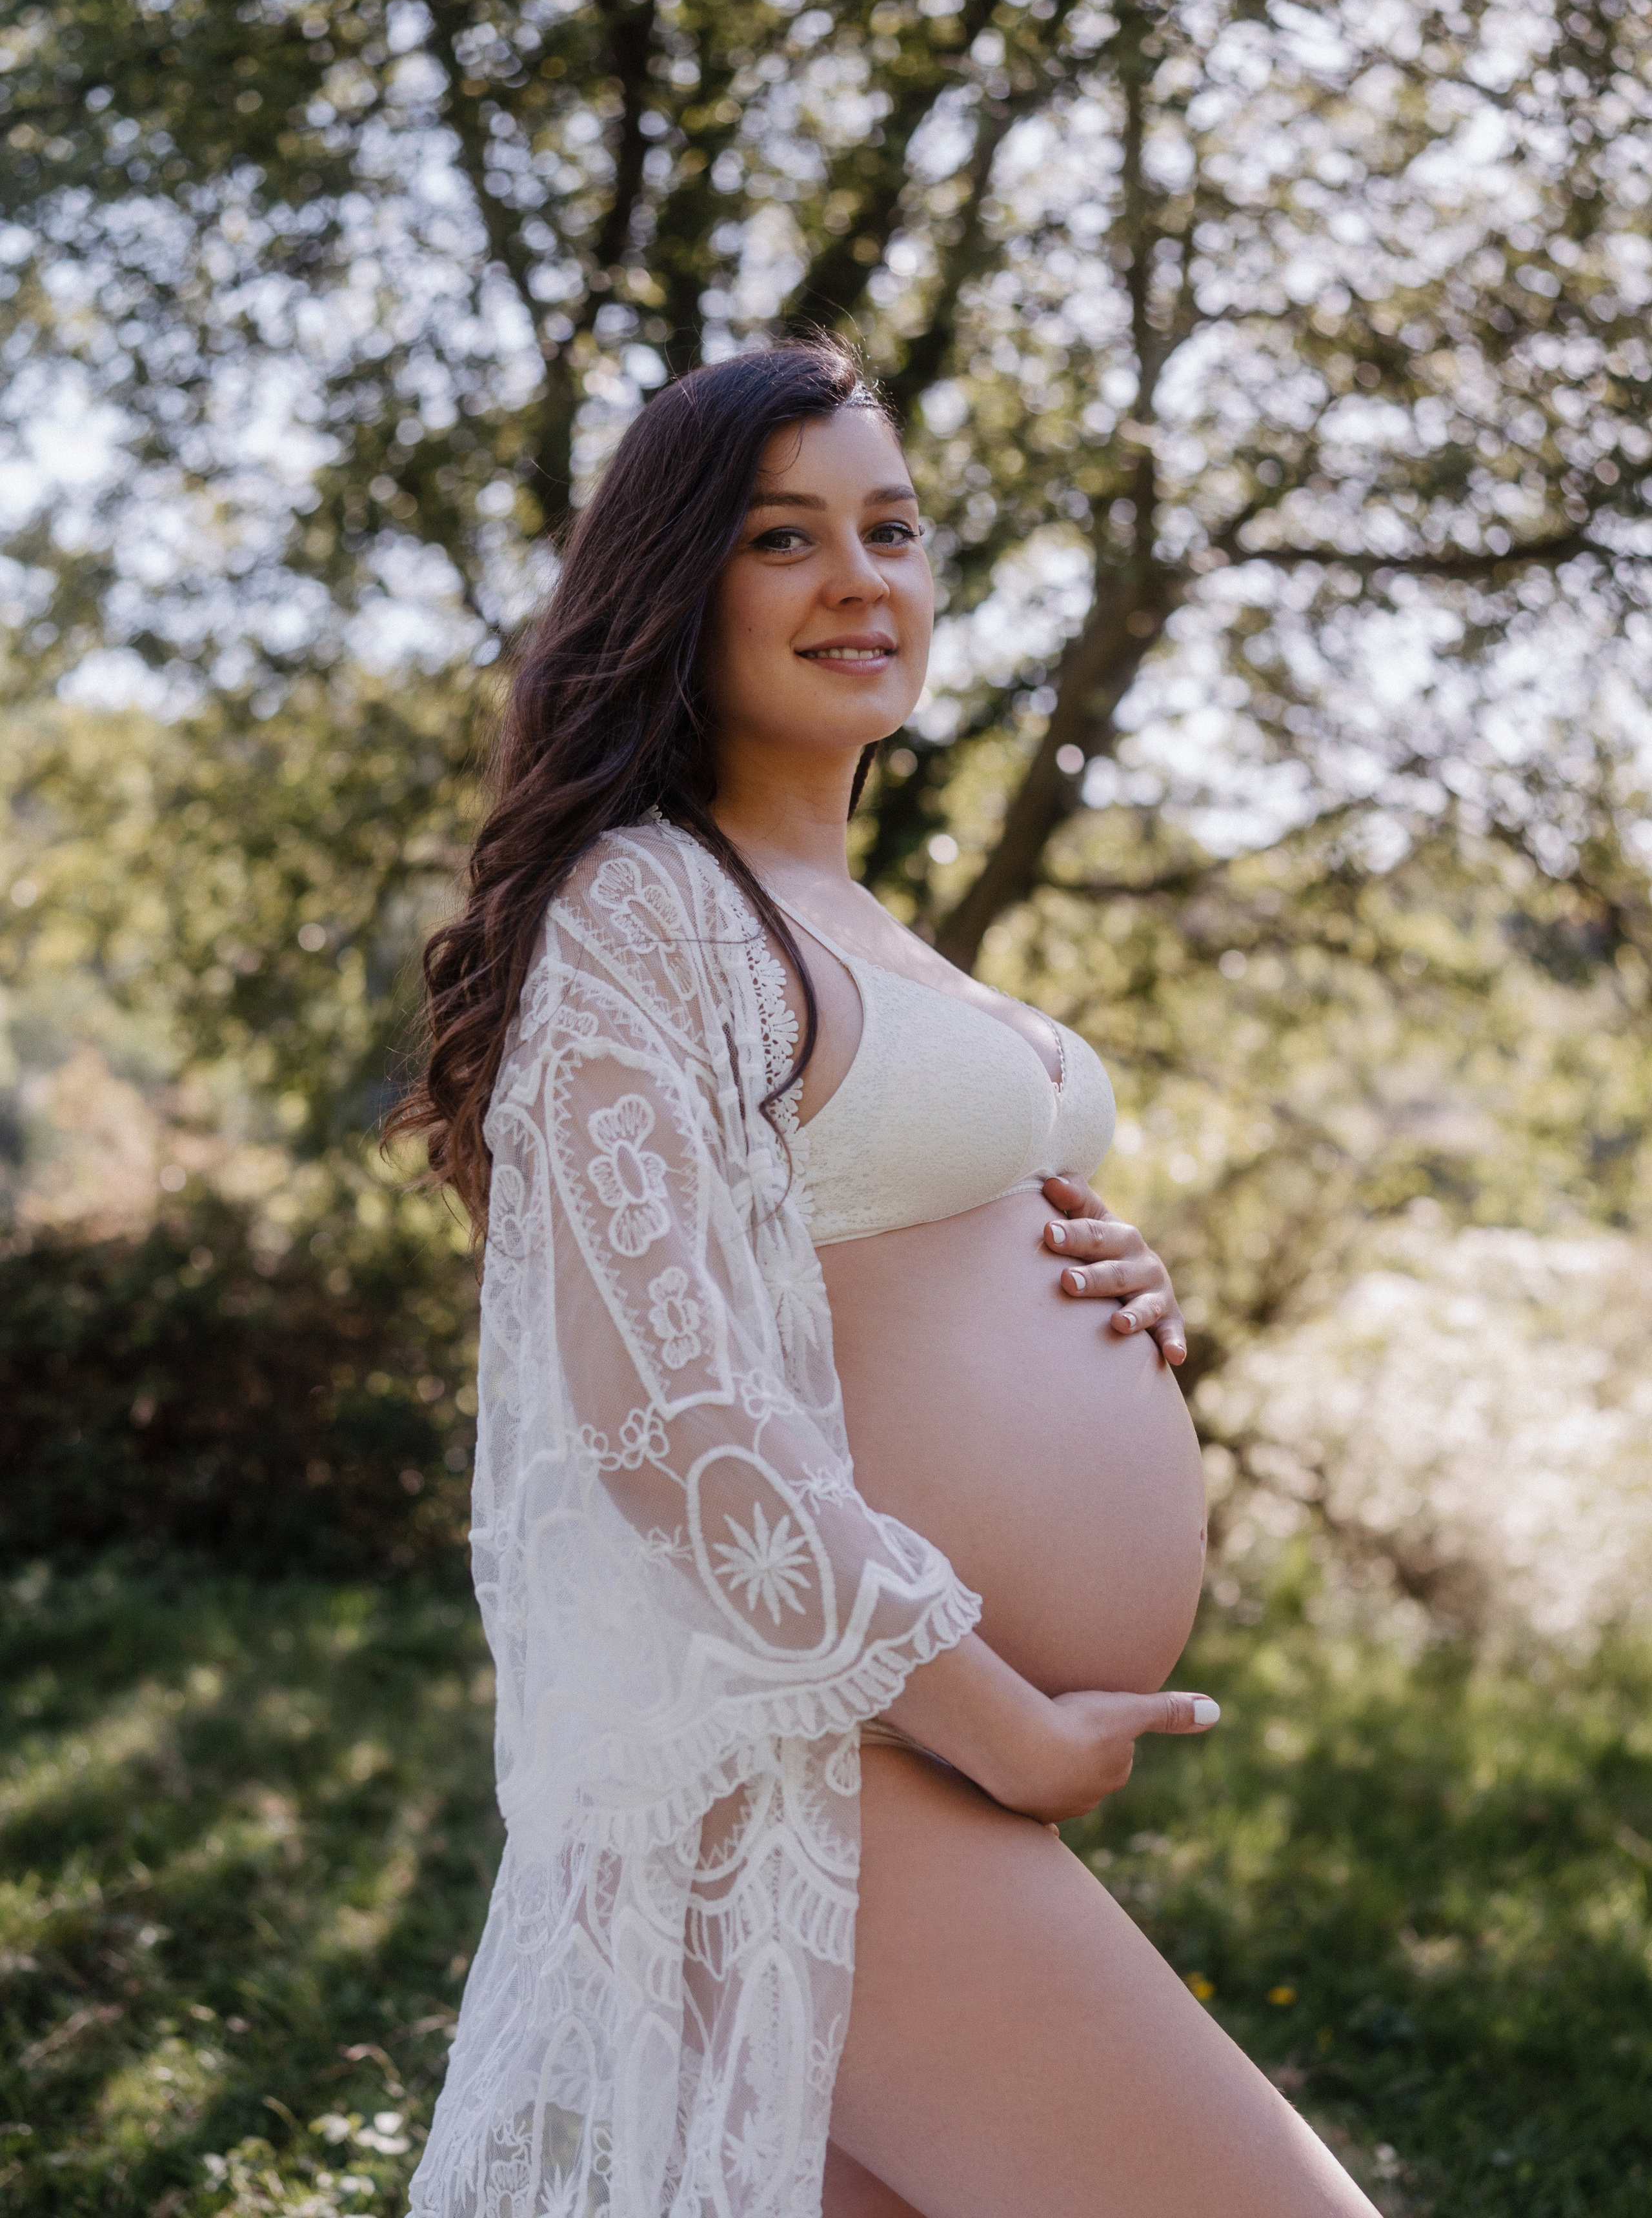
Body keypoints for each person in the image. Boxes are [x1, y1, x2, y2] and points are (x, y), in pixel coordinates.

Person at [394, 339, 1378, 2217]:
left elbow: (876, 1248)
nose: (865, 578)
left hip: (891, 1767)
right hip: (819, 1776)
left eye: (896, 529)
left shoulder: (856, 919)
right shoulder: (644, 904)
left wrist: (1106, 1280)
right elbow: (661, 1413)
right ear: (679, 594)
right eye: (787, 538)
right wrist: (1004, 1720)